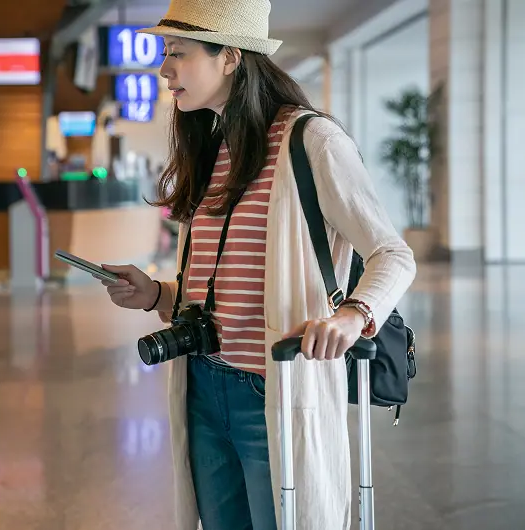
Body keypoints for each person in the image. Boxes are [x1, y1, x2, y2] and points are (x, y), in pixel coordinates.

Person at [100, 1, 416, 529]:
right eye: (164, 54)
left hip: (272, 389)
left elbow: (392, 254)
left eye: (177, 53)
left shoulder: (310, 141)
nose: (164, 69)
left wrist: (353, 315)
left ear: (229, 57)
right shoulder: (212, 144)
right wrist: (156, 293)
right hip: (203, 387)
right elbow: (227, 281)